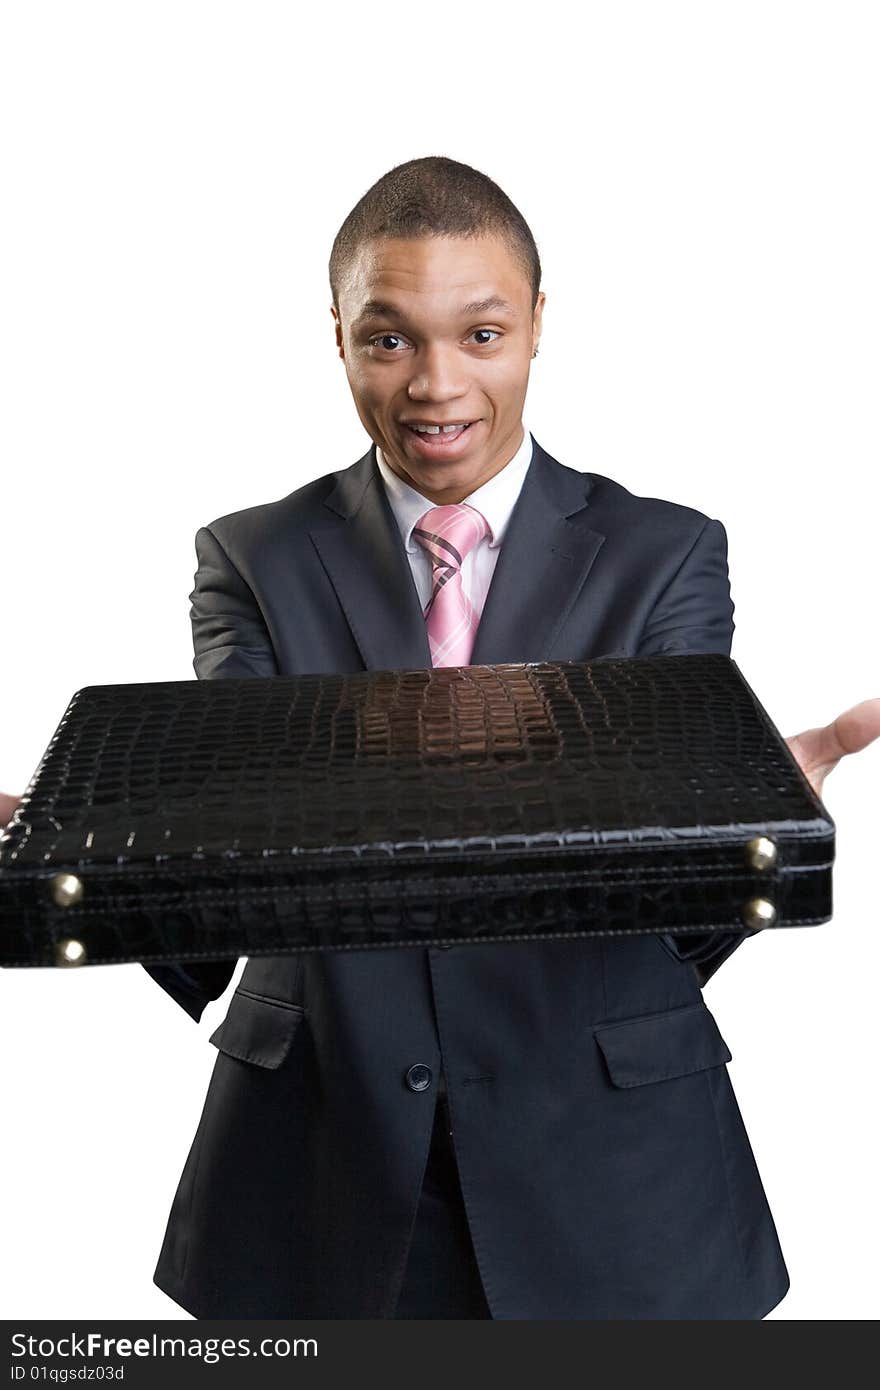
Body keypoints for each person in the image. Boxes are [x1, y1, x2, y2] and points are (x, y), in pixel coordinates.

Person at [2, 156, 877, 1320]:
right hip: (326, 1160)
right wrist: (72, 869)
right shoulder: (252, 557)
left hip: (613, 1171)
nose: (435, 385)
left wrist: (746, 829)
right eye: (389, 340)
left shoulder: (664, 553)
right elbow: (252, 855)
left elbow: (656, 906)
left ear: (535, 327)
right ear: (339, 340)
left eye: (479, 334)